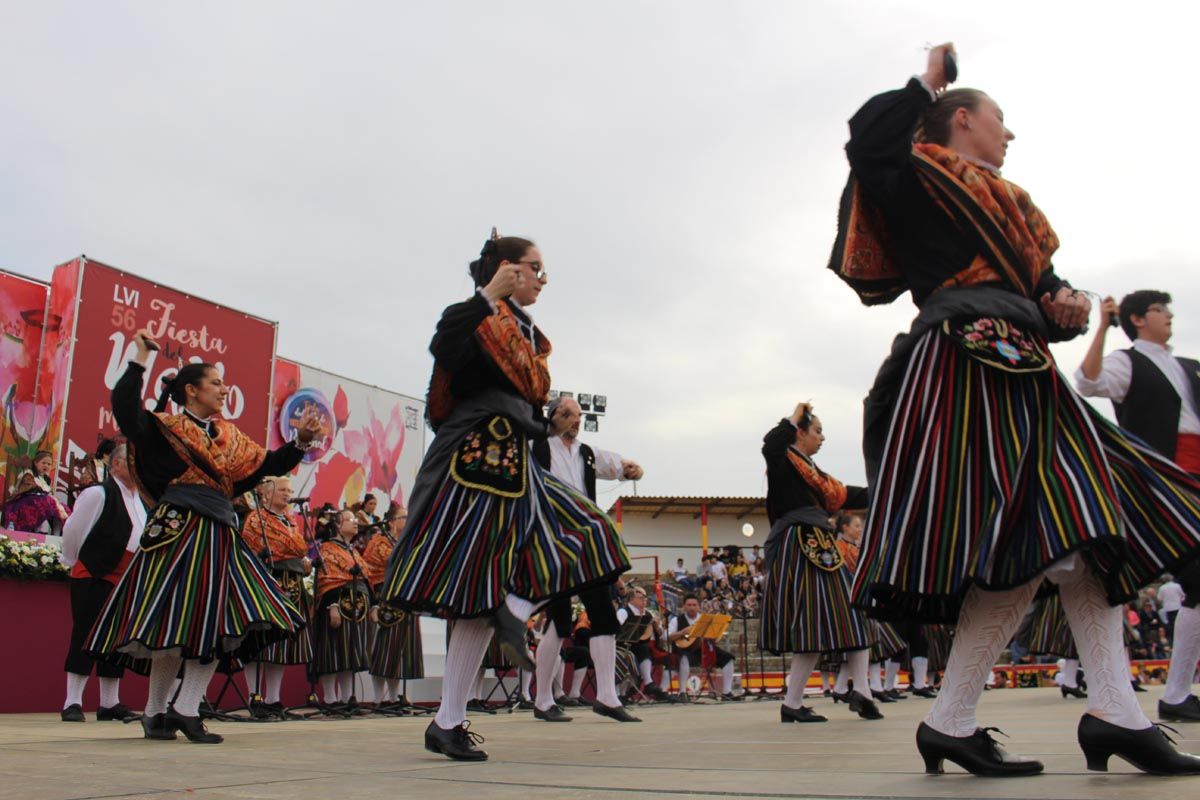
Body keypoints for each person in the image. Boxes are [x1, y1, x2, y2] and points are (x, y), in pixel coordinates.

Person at [832, 43, 1200, 775]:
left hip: (1026, 364)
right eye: (1001, 119)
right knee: (1047, 530)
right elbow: (866, 140)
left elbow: (1044, 291)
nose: (1011, 133)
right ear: (961, 119)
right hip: (969, 362)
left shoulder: (1012, 203)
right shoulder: (916, 172)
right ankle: (972, 716)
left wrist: (1061, 307)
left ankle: (1111, 716)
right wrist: (924, 82)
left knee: (1085, 532)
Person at [380, 232, 630, 761]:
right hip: (475, 459)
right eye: (536, 268)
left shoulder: (526, 334)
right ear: (509, 271)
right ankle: (451, 715)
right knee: (487, 588)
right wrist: (485, 295)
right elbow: (445, 348)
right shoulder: (471, 314)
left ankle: (502, 626)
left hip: (513, 458)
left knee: (588, 533)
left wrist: (545, 424)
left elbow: (523, 399)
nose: (542, 278)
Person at [87, 330, 318, 745]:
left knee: (215, 619)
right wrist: (140, 358)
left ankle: (174, 710)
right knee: (178, 624)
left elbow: (264, 466)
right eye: (215, 383)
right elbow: (124, 409)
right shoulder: (165, 427)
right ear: (191, 391)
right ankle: (167, 712)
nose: (223, 389)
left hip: (218, 530)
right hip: (179, 530)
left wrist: (300, 440)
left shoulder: (228, 437)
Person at [1077, 291, 1200, 722]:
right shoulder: (1128, 361)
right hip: (1161, 484)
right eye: (1160, 309)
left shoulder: (1189, 366)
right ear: (1138, 319)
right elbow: (1087, 382)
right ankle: (1175, 693)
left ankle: (1178, 694)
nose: (1169, 315)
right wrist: (1102, 327)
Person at [759, 404, 877, 724]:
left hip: (820, 545)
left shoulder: (816, 475)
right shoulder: (784, 460)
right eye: (817, 430)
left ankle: (861, 691)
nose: (822, 437)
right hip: (801, 545)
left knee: (847, 613)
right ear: (801, 432)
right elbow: (770, 444)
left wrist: (884, 489)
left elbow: (844, 495)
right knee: (813, 624)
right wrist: (794, 416)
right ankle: (796, 701)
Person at [529, 394, 643, 723]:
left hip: (586, 544)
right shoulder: (537, 449)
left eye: (577, 415)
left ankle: (607, 696)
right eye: (567, 413)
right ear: (552, 418)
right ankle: (543, 699)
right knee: (560, 619)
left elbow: (613, 462)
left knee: (604, 617)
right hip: (554, 543)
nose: (575, 419)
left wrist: (629, 468)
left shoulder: (586, 454)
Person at [58, 443, 147, 722]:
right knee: (86, 634)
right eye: (134, 462)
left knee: (116, 640)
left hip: (124, 579)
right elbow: (73, 529)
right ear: (117, 465)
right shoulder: (98, 493)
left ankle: (110, 702)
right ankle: (72, 701)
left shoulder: (140, 501)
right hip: (94, 573)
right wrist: (75, 561)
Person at [239, 476, 313, 718]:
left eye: (290, 490)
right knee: (261, 641)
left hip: (291, 583)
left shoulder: (291, 521)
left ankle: (273, 697)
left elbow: (299, 548)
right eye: (282, 489)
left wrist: (302, 560)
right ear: (266, 494)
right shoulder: (256, 519)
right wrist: (292, 554)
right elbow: (252, 549)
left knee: (282, 643)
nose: (287, 493)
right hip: (268, 581)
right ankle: (254, 695)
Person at [363, 504, 423, 707]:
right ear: (391, 522)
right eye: (404, 517)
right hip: (386, 600)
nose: (408, 520)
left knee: (401, 651)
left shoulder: (408, 542)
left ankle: (394, 696)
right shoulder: (378, 542)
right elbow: (372, 572)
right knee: (383, 651)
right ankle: (379, 698)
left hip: (406, 600)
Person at [311, 509, 372, 708]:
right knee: (333, 650)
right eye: (351, 519)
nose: (356, 522)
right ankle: (330, 698)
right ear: (338, 525)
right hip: (338, 604)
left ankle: (347, 698)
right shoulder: (328, 549)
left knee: (349, 652)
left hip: (356, 607)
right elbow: (327, 579)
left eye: (355, 519)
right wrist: (333, 605)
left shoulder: (352, 550)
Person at [668, 595, 738, 700]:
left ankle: (726, 692)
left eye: (694, 605)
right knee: (684, 657)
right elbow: (668, 636)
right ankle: (682, 692)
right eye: (689, 605)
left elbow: (715, 638)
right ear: (684, 607)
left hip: (703, 650)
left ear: (699, 607)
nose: (692, 607)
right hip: (685, 650)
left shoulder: (704, 619)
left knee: (728, 658)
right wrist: (682, 632)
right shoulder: (676, 620)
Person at [4, 450, 69, 534]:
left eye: (49, 464)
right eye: (43, 463)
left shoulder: (46, 478)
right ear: (35, 463)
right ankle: (37, 530)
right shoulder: (28, 473)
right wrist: (46, 494)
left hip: (40, 500)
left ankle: (56, 533)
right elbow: (29, 488)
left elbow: (48, 492)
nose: (46, 465)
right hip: (25, 500)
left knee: (61, 507)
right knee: (46, 501)